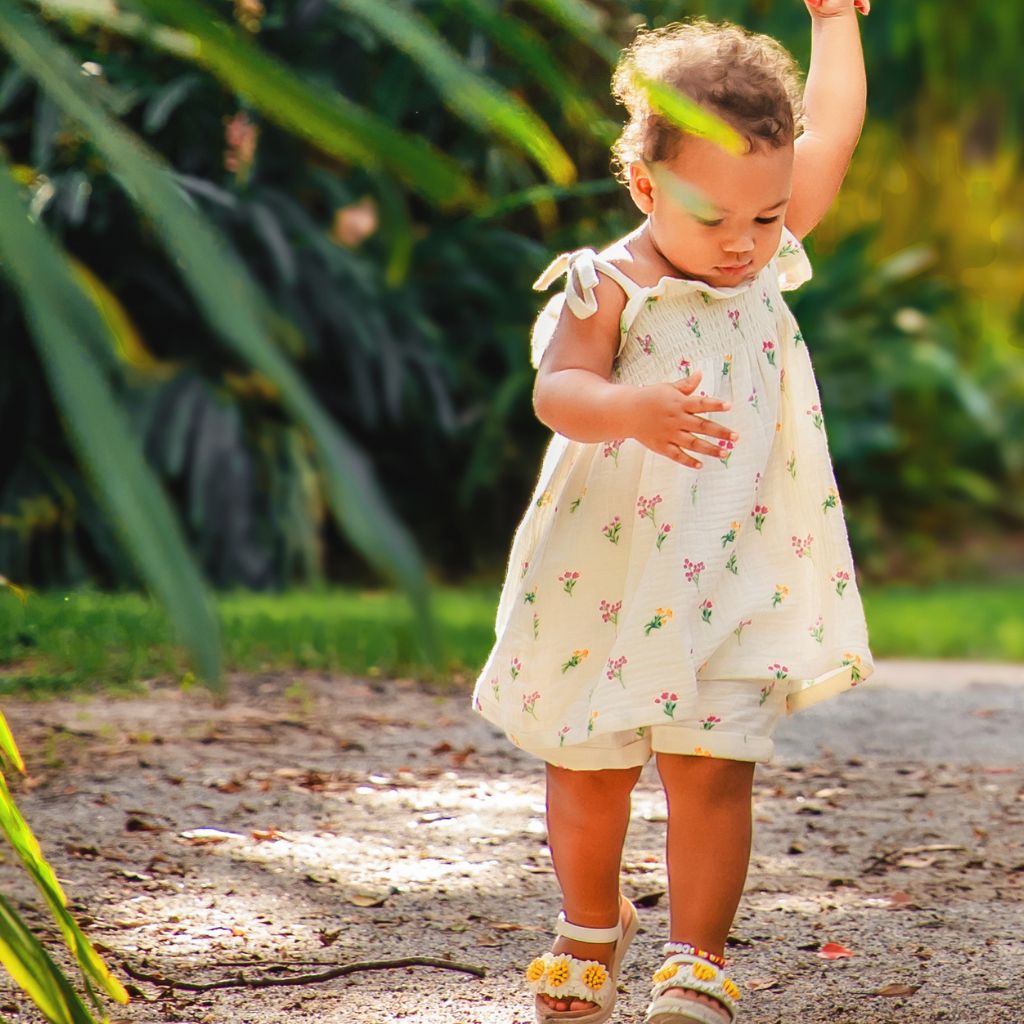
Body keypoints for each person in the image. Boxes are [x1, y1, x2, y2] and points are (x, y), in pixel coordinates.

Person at [471, 2, 874, 1021]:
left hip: (728, 566)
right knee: (590, 764)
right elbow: (555, 390)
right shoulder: (608, 285)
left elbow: (830, 130)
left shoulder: (760, 257)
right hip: (605, 572)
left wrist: (834, 21)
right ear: (645, 185)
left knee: (713, 767)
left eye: (767, 217)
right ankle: (588, 927)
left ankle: (695, 959)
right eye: (714, 219)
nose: (743, 244)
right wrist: (628, 408)